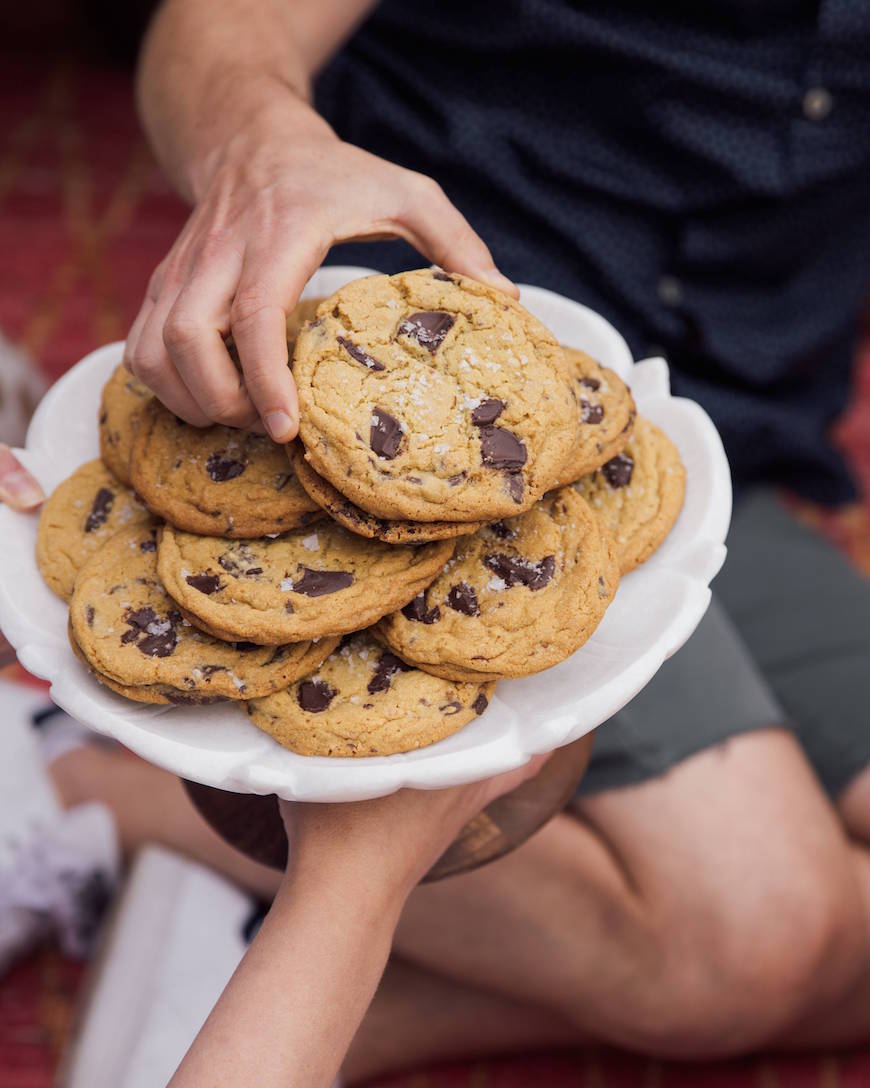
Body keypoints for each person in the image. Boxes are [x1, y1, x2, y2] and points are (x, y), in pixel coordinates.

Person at [121, 0, 870, 1076]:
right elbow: (219, 27)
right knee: (755, 936)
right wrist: (257, 138)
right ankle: (125, 788)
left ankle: (252, 989)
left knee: (771, 944)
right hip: (419, 481)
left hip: (730, 459)